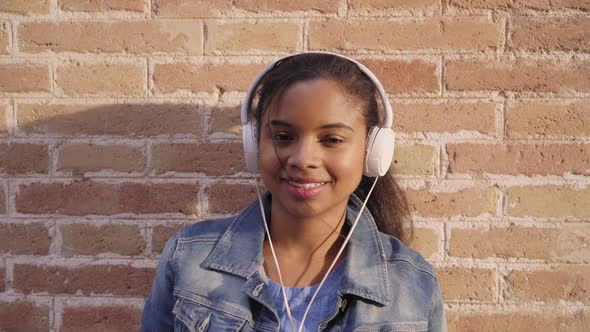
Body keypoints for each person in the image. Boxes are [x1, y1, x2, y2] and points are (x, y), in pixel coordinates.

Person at [140, 52, 447, 332]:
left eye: (332, 140)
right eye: (283, 136)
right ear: (254, 145)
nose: (302, 159)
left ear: (372, 152)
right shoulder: (188, 259)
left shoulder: (413, 285)